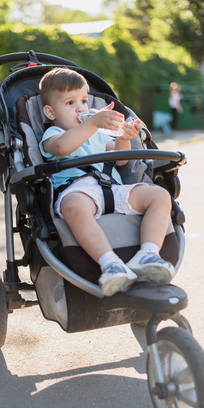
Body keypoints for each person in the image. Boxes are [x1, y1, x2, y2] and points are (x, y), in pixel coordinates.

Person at [38, 68, 175, 297]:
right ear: (51, 112)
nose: (80, 108)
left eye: (83, 100)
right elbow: (63, 148)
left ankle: (148, 254)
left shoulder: (99, 134)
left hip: (112, 188)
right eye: (70, 103)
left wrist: (123, 139)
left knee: (159, 195)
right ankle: (110, 263)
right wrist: (91, 124)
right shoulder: (52, 134)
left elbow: (120, 160)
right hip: (77, 191)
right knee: (73, 206)